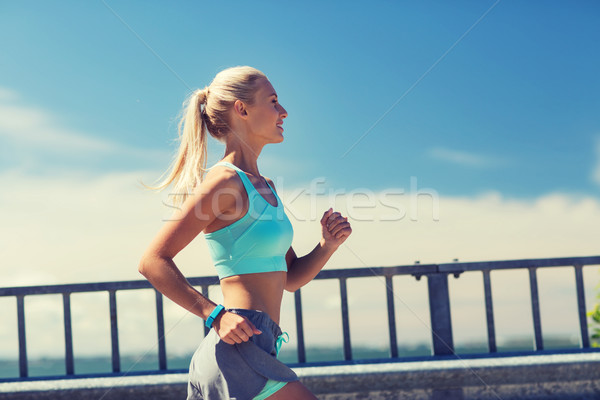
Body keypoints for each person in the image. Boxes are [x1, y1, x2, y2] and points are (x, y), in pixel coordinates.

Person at [138, 66, 352, 400]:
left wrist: (327, 245)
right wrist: (214, 316)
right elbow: (152, 261)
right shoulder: (224, 183)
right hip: (236, 349)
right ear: (242, 109)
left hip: (261, 345)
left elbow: (290, 278)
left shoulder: (264, 187)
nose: (283, 112)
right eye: (274, 101)